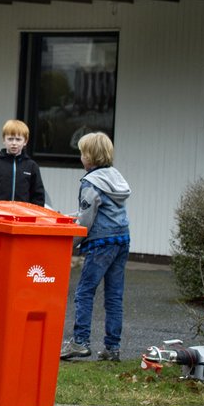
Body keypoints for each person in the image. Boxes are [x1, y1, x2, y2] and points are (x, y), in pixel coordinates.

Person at [61, 131, 131, 361]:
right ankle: (112, 348)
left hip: (101, 244)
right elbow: (90, 211)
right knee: (114, 295)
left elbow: (87, 220)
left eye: (82, 153)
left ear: (90, 156)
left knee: (84, 292)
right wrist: (67, 217)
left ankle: (80, 342)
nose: (81, 157)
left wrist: (70, 244)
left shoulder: (90, 182)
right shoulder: (115, 177)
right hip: (122, 240)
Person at [0, 118, 47, 205]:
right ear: (4, 140)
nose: (14, 143)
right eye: (10, 139)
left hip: (23, 215)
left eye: (18, 139)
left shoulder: (31, 166)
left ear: (25, 141)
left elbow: (38, 196)